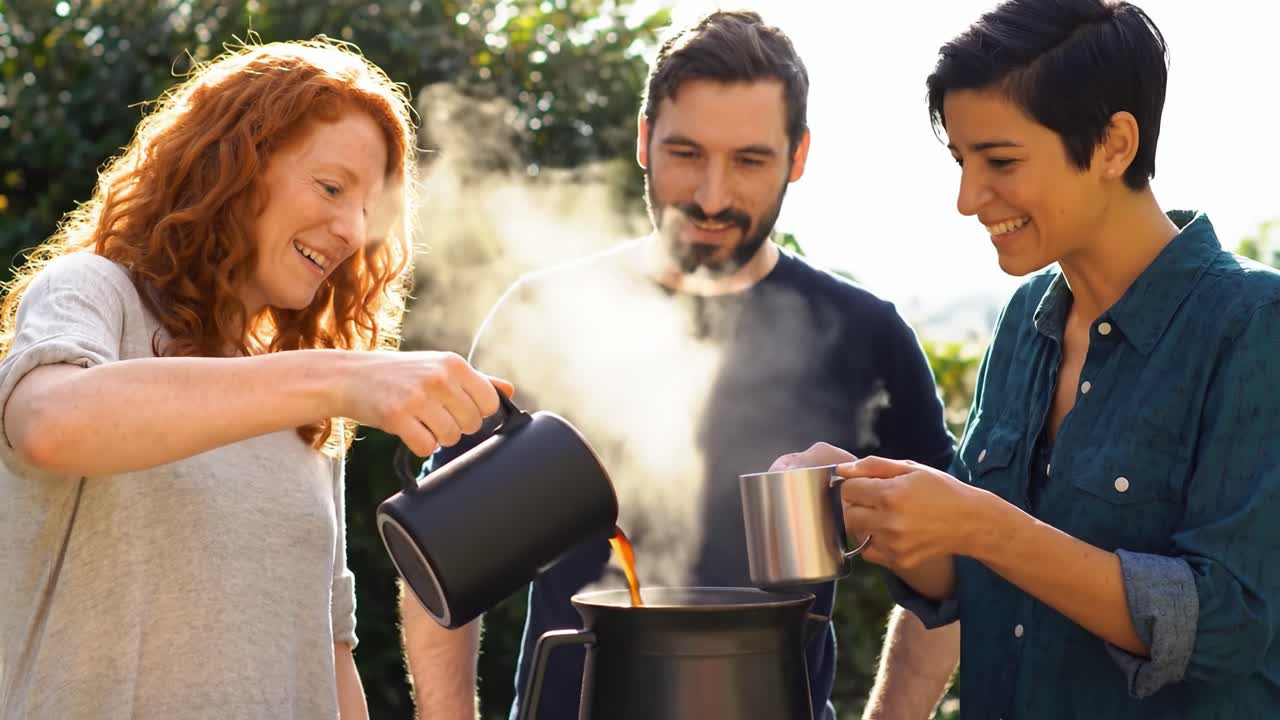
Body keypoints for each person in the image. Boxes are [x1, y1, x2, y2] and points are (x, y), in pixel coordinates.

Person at [400, 10, 958, 720]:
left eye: (750, 160)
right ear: (643, 140)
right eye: (686, 153)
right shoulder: (540, 313)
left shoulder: (868, 336)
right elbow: (441, 557)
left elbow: (949, 573)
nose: (712, 196)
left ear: (800, 155)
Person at [777, 0, 1280, 717]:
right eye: (960, 160)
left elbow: (1229, 627)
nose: (966, 198)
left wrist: (982, 522)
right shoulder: (1026, 321)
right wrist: (876, 501)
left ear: (1114, 145)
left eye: (1000, 161)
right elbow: (979, 581)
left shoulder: (1253, 326)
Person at [0, 39, 511, 720]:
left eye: (367, 210)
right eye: (332, 189)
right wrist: (336, 377)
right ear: (232, 167)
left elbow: (327, 654)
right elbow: (47, 426)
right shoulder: (95, 294)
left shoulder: (304, 409)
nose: (352, 232)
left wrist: (327, 385)